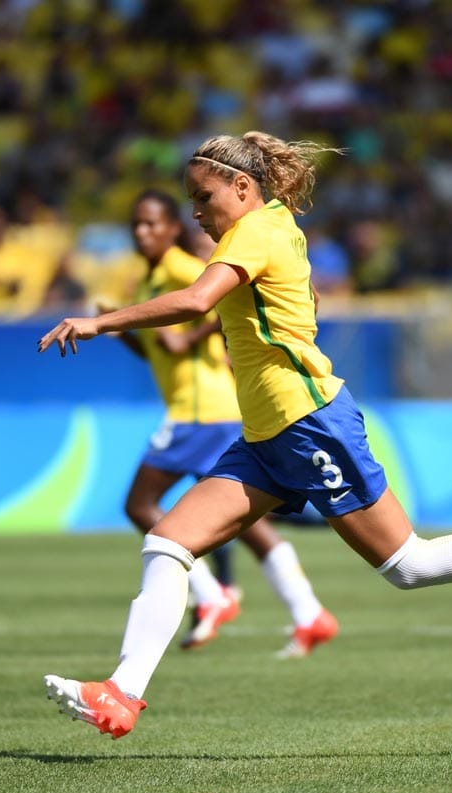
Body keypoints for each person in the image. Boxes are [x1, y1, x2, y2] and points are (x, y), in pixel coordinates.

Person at [36, 131, 452, 740]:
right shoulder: (275, 223)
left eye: (204, 196)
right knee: (167, 541)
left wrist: (98, 321)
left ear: (242, 187)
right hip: (266, 436)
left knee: (409, 564)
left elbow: (197, 301)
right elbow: (300, 296)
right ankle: (122, 693)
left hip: (308, 423)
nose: (196, 211)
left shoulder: (255, 232)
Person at [115, 188, 338, 654]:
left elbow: (225, 295)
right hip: (206, 410)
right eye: (135, 225)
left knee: (141, 505)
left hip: (200, 411)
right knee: (246, 519)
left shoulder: (182, 268)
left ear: (174, 228)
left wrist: (193, 336)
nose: (142, 233)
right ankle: (308, 611)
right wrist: (120, 332)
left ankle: (212, 594)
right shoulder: (146, 283)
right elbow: (157, 347)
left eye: (151, 223)